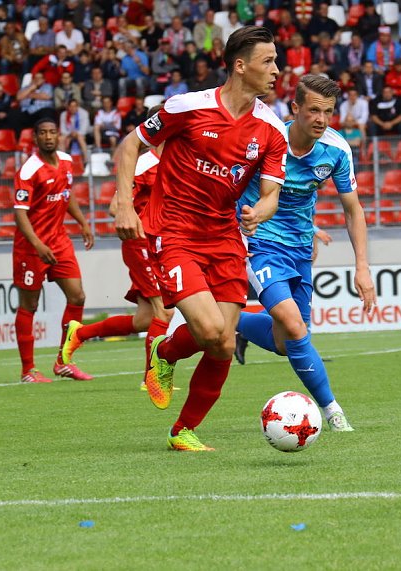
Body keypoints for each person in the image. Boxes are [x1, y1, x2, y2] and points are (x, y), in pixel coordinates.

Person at [113, 26, 288, 451]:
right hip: (174, 232)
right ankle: (167, 354)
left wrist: (258, 214)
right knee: (210, 329)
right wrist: (124, 202)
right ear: (240, 66)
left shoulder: (270, 128)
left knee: (224, 344)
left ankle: (182, 429)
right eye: (268, 61)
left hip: (226, 237)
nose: (277, 71)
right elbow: (130, 145)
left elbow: (271, 196)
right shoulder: (188, 107)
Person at [234, 75, 376, 432]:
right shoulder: (267, 139)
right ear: (295, 108)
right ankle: (332, 411)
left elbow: (353, 209)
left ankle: (228, 323)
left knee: (286, 343)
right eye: (314, 110)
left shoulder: (337, 151)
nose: (321, 119)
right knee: (296, 328)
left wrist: (362, 267)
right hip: (259, 243)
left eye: (328, 112)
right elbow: (234, 183)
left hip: (299, 250)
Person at [62, 105, 175, 382]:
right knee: (165, 309)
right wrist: (142, 222)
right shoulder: (145, 163)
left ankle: (80, 333)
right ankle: (153, 379)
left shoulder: (174, 162)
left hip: (159, 245)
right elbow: (116, 207)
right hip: (140, 243)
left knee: (145, 320)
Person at [13, 117, 95, 383]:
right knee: (30, 305)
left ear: (58, 135)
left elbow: (65, 195)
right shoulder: (29, 170)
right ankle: (28, 371)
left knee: (77, 296)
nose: (48, 137)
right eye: (43, 133)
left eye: (52, 132)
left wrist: (82, 222)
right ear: (35, 138)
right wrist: (37, 244)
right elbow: (20, 215)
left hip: (59, 241)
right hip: (31, 246)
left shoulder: (67, 160)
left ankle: (64, 361)